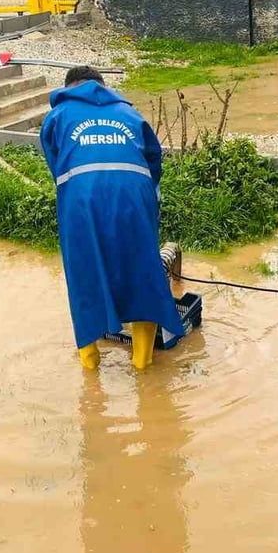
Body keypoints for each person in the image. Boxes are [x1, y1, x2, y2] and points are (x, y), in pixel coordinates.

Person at [39, 66, 184, 371]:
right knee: (143, 271)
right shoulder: (131, 115)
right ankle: (143, 364)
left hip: (81, 196)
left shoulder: (57, 116)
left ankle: (91, 369)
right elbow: (154, 163)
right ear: (103, 87)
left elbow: (57, 166)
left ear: (70, 87)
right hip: (135, 193)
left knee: (84, 273)